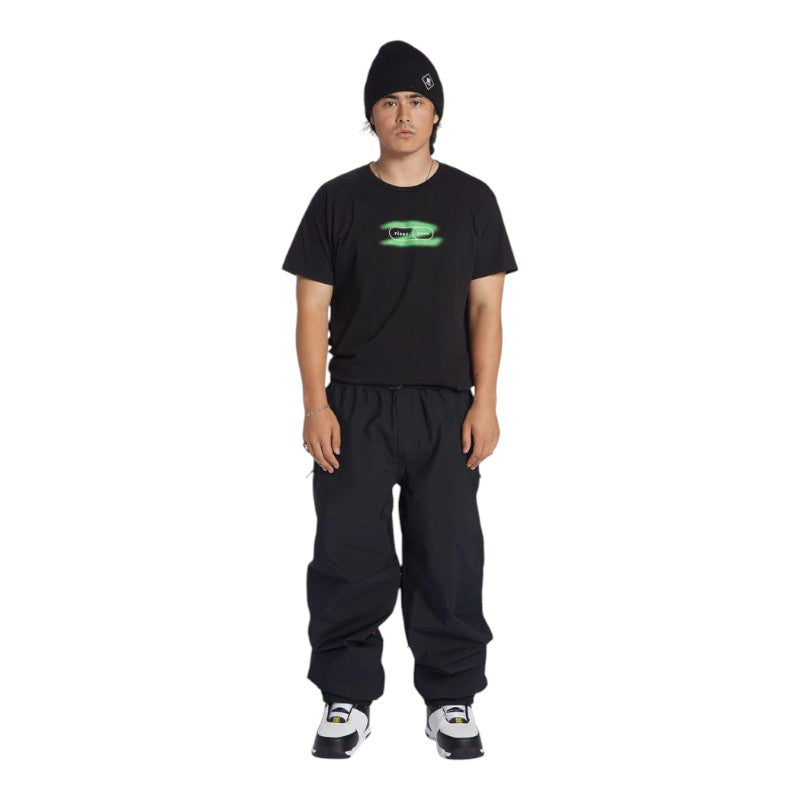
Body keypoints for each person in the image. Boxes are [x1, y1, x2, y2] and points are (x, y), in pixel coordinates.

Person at [281, 40, 518, 759]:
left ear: (436, 113)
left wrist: (485, 403)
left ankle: (451, 699)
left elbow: (487, 309)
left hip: (446, 407)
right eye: (388, 102)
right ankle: (346, 697)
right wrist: (316, 405)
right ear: (372, 116)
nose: (404, 114)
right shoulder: (337, 200)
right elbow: (310, 310)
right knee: (349, 554)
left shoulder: (472, 200)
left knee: (449, 553)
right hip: (354, 407)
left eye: (417, 100)